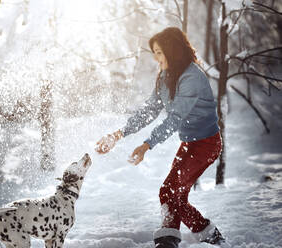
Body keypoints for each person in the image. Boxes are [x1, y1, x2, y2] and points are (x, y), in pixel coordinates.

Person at [95, 27, 227, 248]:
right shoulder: (166, 76)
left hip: (206, 145)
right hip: (190, 143)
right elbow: (149, 110)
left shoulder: (192, 77)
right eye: (154, 52)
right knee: (174, 192)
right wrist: (118, 134)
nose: (156, 58)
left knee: (170, 191)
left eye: (159, 52)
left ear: (172, 51)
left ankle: (171, 240)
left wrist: (147, 145)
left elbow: (175, 118)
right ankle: (203, 234)